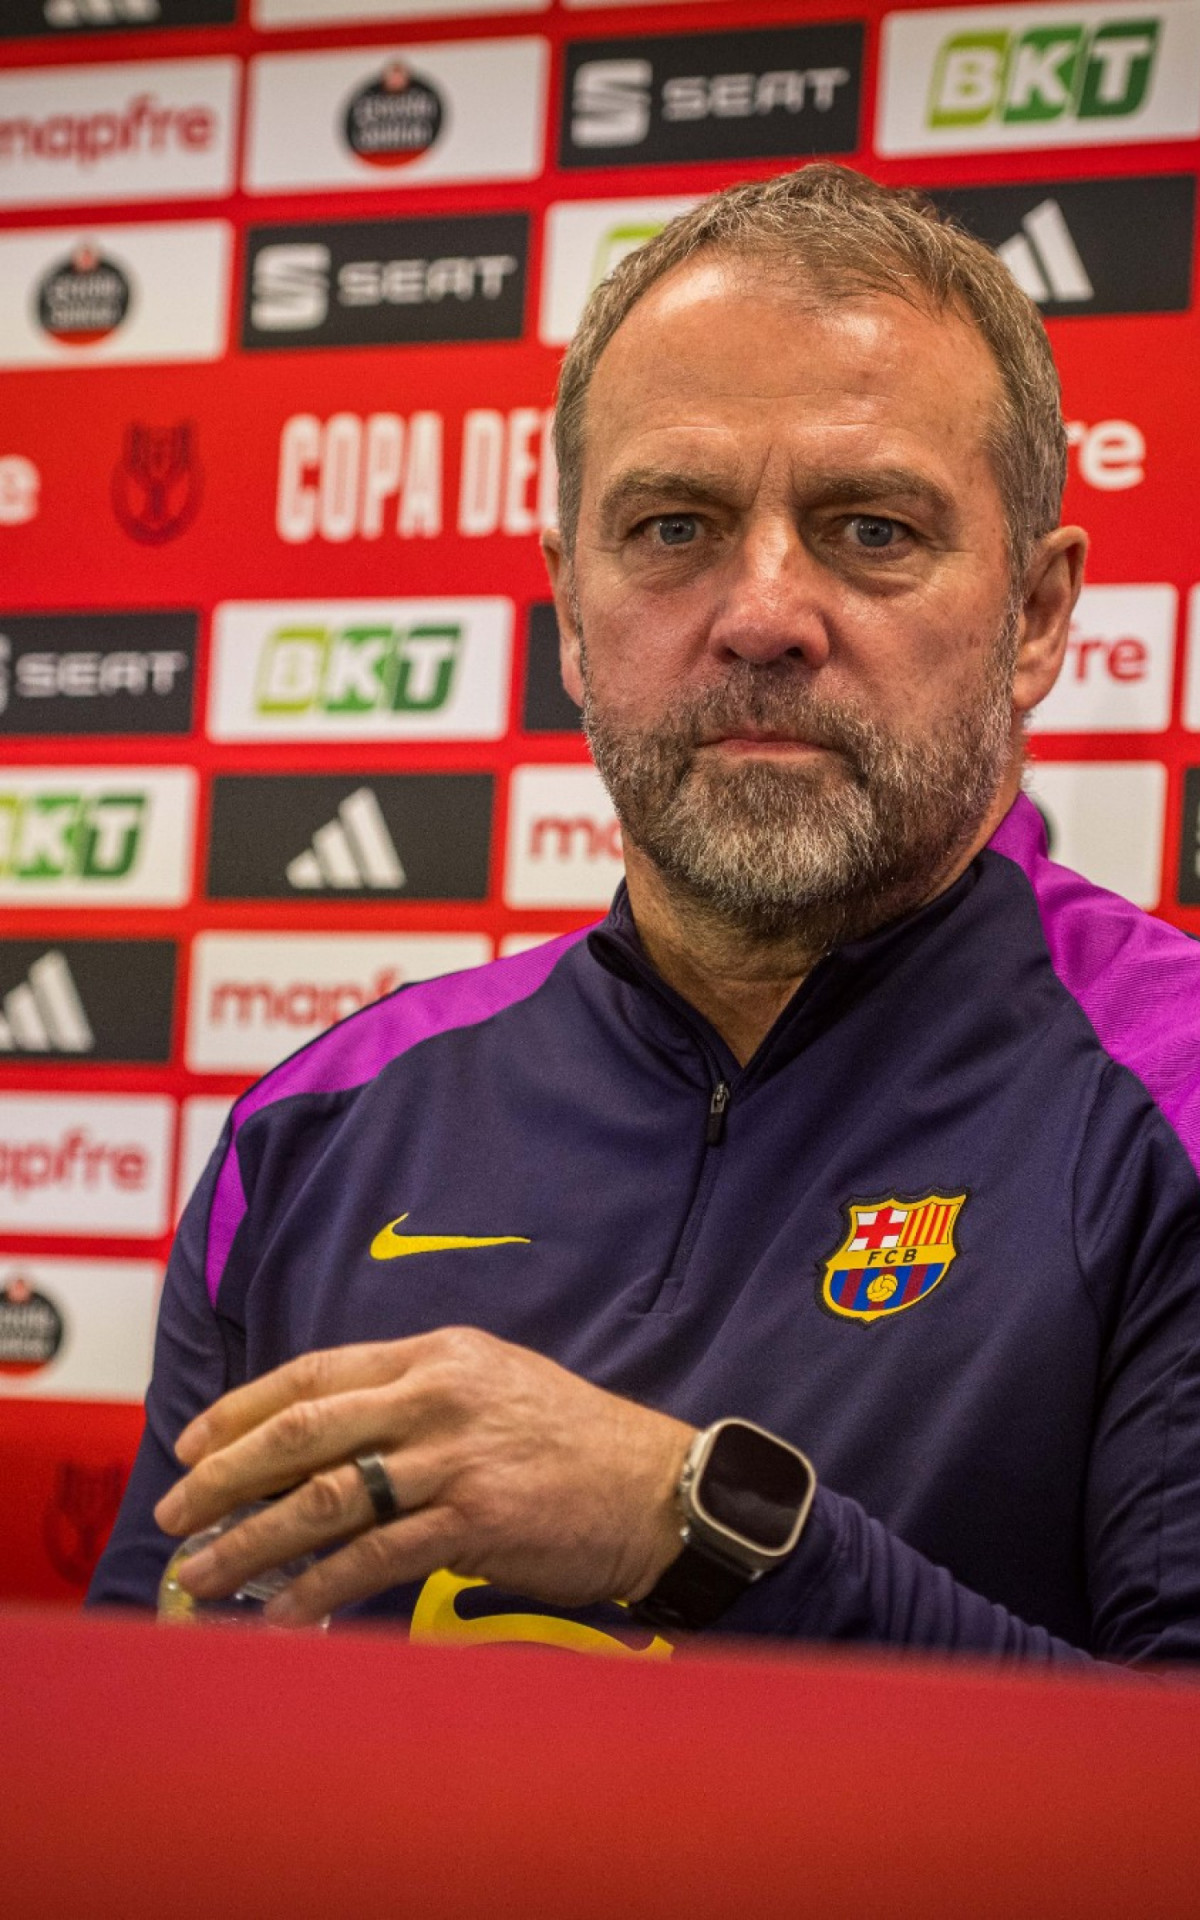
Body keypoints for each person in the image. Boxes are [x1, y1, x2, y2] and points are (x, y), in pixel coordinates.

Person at [90, 165, 1200, 1663]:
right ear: (570, 610)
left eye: (873, 529)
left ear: (1038, 618)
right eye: (675, 527)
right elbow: (155, 1717)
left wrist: (693, 1532)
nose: (762, 616)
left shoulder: (1171, 1095)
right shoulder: (320, 1131)